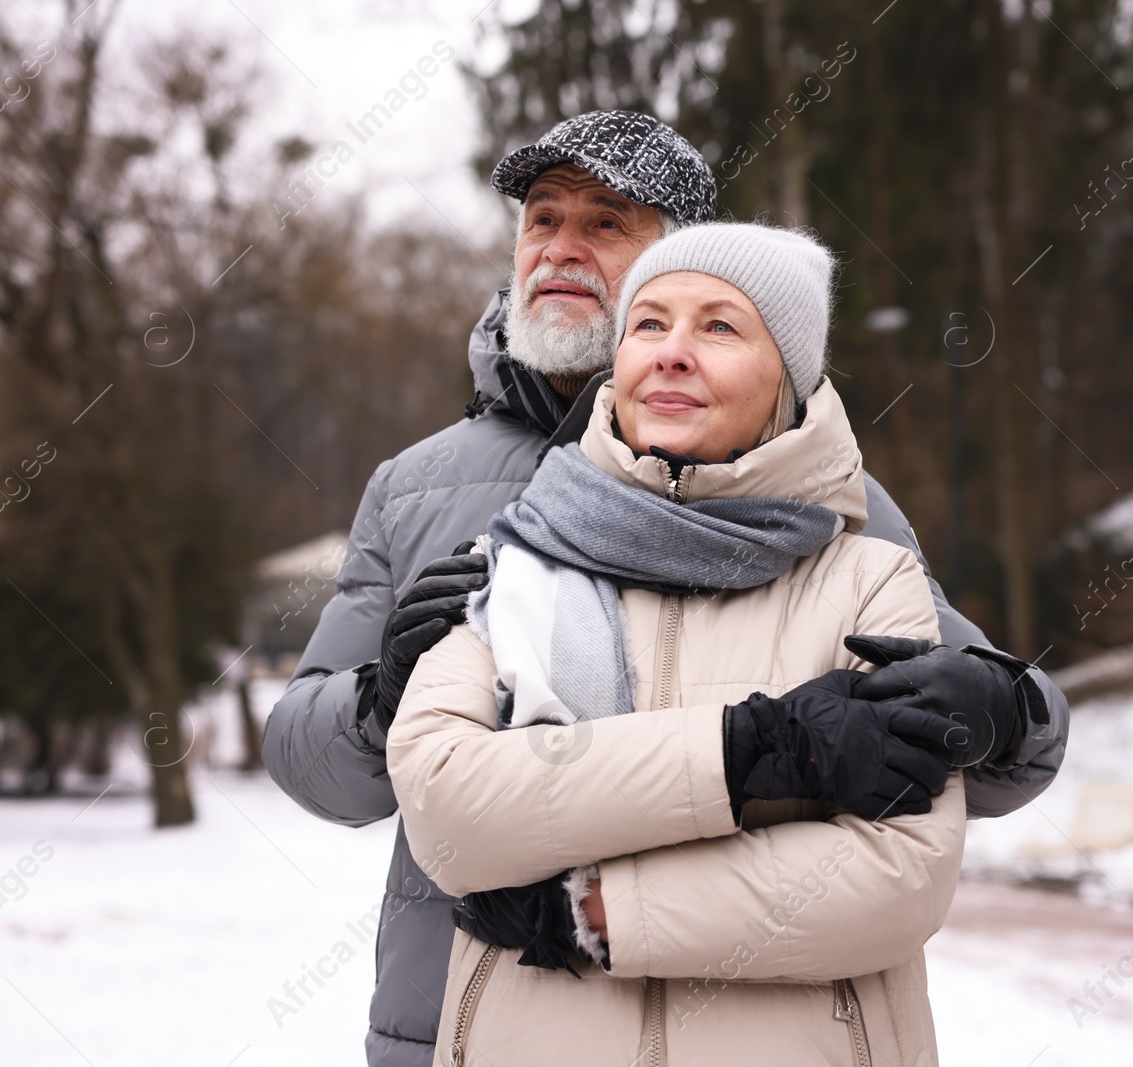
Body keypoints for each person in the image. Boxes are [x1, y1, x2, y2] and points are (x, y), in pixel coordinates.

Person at [262, 110, 1068, 1066]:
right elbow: (311, 760)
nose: (560, 248)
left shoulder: (825, 502)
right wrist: (378, 701)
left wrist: (1009, 708)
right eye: (542, 219)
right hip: (466, 1017)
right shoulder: (418, 487)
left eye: (606, 223)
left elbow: (963, 747)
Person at [390, 222, 967, 1066]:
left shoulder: (869, 580)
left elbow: (899, 875)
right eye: (648, 324)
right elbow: (447, 813)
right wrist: (744, 753)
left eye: (721, 327)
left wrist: (597, 911)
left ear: (790, 379)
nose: (671, 353)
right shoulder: (508, 561)